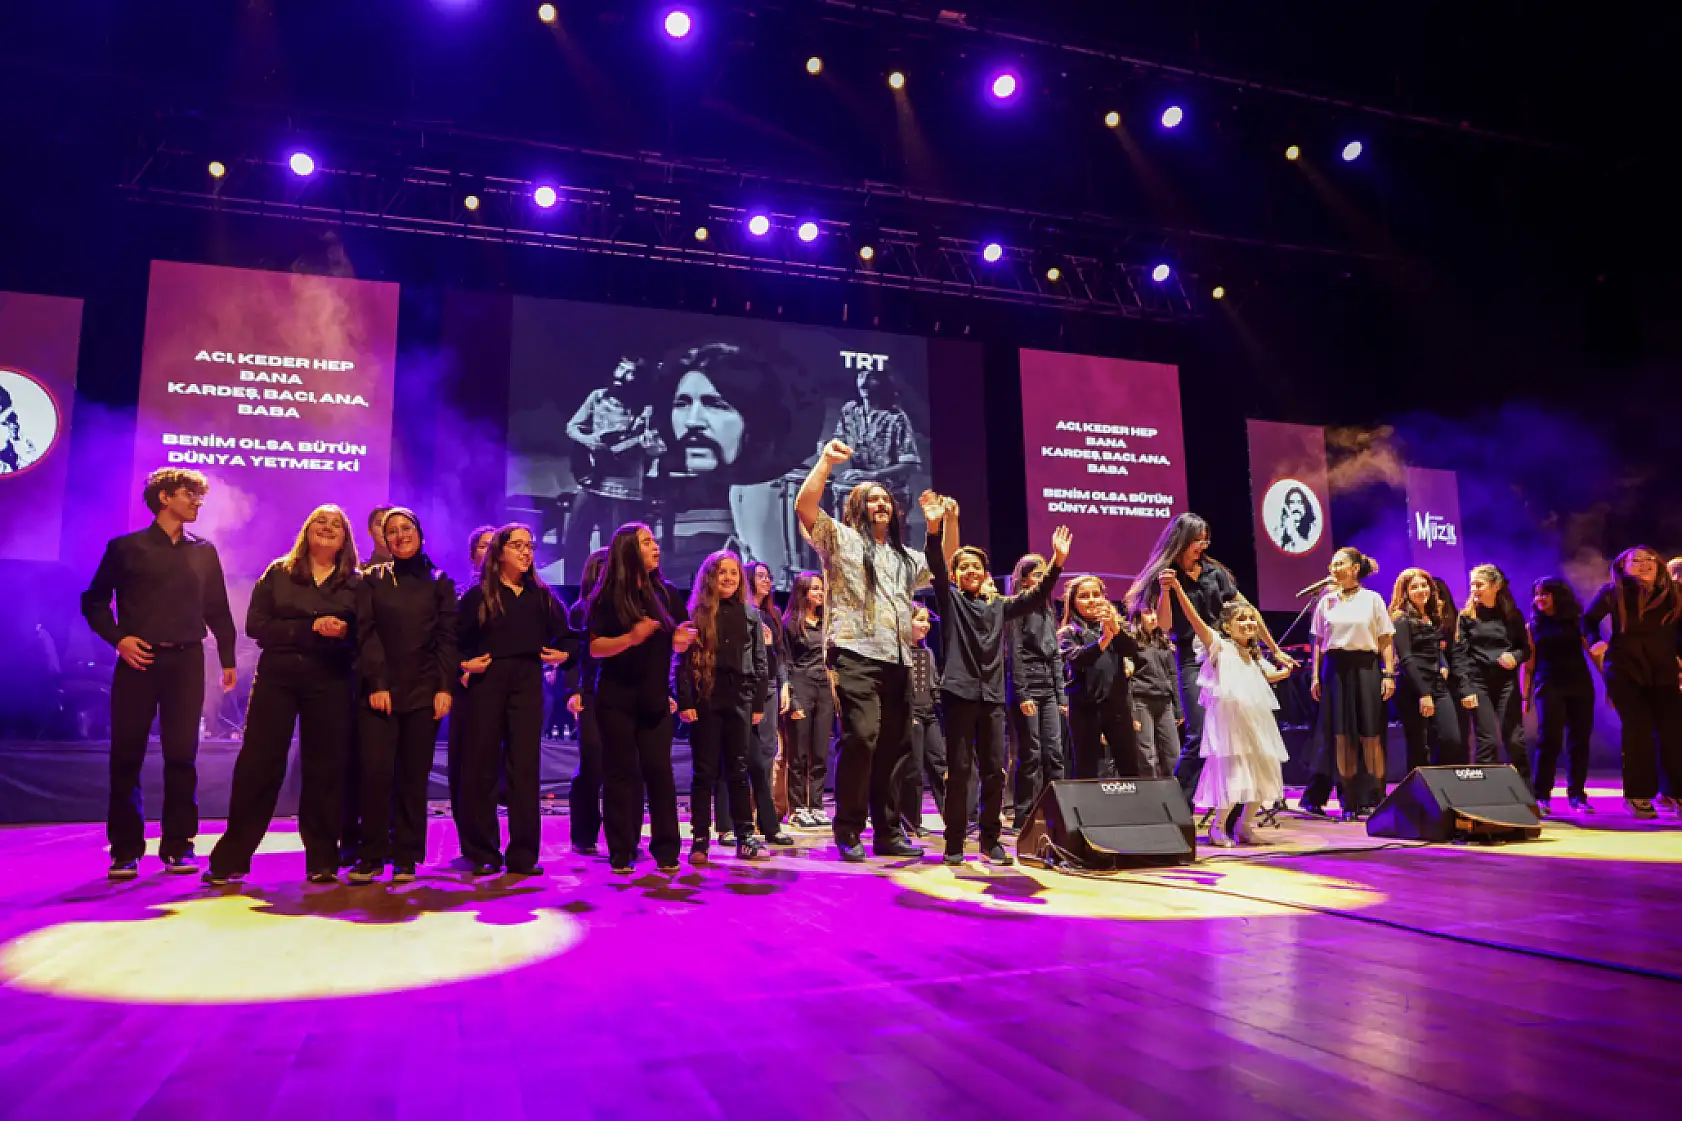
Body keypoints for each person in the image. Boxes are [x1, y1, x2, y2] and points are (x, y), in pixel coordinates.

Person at [81, 467, 238, 879]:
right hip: (138, 660)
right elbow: (94, 602)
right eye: (190, 495)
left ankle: (179, 845)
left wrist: (227, 658)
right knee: (126, 755)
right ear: (165, 497)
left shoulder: (203, 551)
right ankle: (125, 849)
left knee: (182, 756)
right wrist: (119, 640)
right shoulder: (125, 548)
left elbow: (217, 608)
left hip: (186, 661)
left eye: (199, 496)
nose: (197, 502)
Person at [207, 506, 362, 886]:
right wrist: (310, 627)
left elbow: (366, 632)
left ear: (345, 538)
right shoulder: (278, 572)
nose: (327, 528)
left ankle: (323, 858)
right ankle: (233, 857)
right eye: (320, 522)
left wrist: (344, 631)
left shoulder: (356, 583)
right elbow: (256, 624)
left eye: (336, 525)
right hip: (278, 676)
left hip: (331, 678)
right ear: (306, 531)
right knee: (258, 765)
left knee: (325, 769)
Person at [794, 439, 932, 862]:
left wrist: (943, 524)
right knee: (862, 737)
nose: (881, 505)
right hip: (854, 652)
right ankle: (849, 829)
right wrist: (825, 463)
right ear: (857, 507)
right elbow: (804, 507)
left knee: (894, 745)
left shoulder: (904, 557)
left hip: (897, 658)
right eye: (871, 500)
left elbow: (937, 566)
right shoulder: (840, 539)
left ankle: (888, 832)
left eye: (885, 500)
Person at [923, 492, 1069, 866]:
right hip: (958, 694)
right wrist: (934, 527)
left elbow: (1035, 597)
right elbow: (936, 564)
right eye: (964, 568)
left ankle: (990, 841)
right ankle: (954, 842)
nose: (970, 572)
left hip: (991, 699)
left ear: (986, 574)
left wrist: (1056, 562)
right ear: (956, 576)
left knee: (994, 771)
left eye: (977, 567)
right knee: (958, 772)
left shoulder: (999, 606)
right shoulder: (951, 600)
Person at [1127, 514, 1293, 802]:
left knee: (1239, 733)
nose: (1202, 545)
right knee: (1199, 733)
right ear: (1182, 540)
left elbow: (1246, 609)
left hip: (1227, 655)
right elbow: (1165, 625)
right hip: (1193, 658)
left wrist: (1274, 648)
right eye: (1197, 540)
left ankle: (1233, 811)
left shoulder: (1213, 573)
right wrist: (1167, 591)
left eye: (1205, 539)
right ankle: (1176, 805)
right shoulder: (1165, 575)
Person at [455, 524, 573, 876]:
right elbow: (454, 642)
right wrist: (464, 665)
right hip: (487, 682)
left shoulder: (541, 596)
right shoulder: (478, 596)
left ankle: (523, 854)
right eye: (518, 546)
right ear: (500, 552)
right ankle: (483, 851)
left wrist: (562, 655)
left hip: (526, 682)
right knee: (483, 767)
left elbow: (568, 638)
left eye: (530, 546)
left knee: (524, 768)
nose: (526, 552)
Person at [348, 508, 457, 883]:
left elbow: (446, 639)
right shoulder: (371, 579)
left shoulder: (440, 580)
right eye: (391, 531)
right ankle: (371, 855)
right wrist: (377, 683)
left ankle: (407, 856)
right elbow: (366, 633)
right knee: (376, 775)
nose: (399, 535)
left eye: (406, 528)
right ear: (384, 540)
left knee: (413, 776)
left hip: (425, 690)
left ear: (419, 532)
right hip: (380, 693)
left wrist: (444, 687)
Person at [588, 523, 696, 874]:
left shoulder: (664, 592)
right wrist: (630, 638)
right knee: (620, 773)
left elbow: (681, 634)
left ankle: (667, 849)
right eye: (647, 541)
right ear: (629, 550)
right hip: (616, 698)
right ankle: (622, 848)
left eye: (654, 540)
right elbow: (594, 647)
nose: (656, 547)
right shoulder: (607, 596)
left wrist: (680, 640)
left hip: (653, 698)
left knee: (659, 772)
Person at [1162, 574, 1295, 846]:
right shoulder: (1219, 646)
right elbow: (1193, 619)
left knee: (1260, 769)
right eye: (1241, 620)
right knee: (1233, 773)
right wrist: (1176, 589)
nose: (1248, 624)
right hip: (1230, 725)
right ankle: (1218, 826)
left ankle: (1245, 825)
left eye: (1251, 620)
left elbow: (1265, 677)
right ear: (1226, 626)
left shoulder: (1253, 655)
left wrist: (1285, 671)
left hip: (1256, 722)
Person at [674, 550, 775, 864]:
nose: (729, 578)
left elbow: (761, 663)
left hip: (739, 699)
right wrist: (686, 701)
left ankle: (745, 836)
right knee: (704, 771)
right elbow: (682, 663)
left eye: (734, 572)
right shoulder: (697, 615)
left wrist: (757, 702)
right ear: (710, 578)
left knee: (738, 769)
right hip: (706, 699)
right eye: (722, 573)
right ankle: (700, 839)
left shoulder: (750, 615)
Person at [1582, 545, 1682, 819]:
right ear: (1623, 567)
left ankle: (1675, 792)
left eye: (1650, 559)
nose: (1645, 564)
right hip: (1625, 670)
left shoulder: (1675, 594)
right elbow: (1587, 621)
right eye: (1636, 561)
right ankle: (1638, 794)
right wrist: (1596, 642)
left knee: (1673, 732)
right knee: (1639, 730)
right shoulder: (1613, 593)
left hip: (1663, 671)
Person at [1305, 548, 1397, 819]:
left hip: (1366, 666)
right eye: (1332, 564)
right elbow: (1319, 641)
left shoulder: (1372, 599)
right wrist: (1315, 676)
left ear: (1355, 568)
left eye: (1340, 564)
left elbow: (1385, 639)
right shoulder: (1327, 601)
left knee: (1370, 733)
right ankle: (1349, 799)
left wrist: (1389, 674)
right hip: (1335, 668)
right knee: (1342, 735)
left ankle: (1375, 796)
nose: (1333, 569)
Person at [563, 358, 664, 584]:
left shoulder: (645, 410)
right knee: (574, 539)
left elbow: (658, 449)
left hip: (623, 489)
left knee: (614, 548)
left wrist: (650, 446)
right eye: (620, 368)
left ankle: (610, 593)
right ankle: (571, 587)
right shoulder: (597, 396)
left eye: (629, 373)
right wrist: (589, 441)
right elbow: (571, 427)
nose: (621, 375)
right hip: (590, 480)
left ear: (638, 380)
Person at [1454, 563, 1533, 788]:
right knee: (1486, 740)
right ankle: (1485, 793)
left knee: (1514, 739)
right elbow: (1460, 656)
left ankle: (1527, 794)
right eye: (1472, 585)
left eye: (1479, 584)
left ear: (1495, 586)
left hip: (1506, 682)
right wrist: (1466, 689)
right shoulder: (1467, 616)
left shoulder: (1511, 615)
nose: (1474, 589)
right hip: (1479, 682)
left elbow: (1524, 649)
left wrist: (1514, 657)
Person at [1524, 576, 1595, 815]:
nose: (1539, 599)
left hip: (1580, 684)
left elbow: (1593, 653)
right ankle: (1541, 795)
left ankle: (1577, 795)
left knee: (1579, 741)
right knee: (1549, 739)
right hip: (1548, 684)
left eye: (1544, 593)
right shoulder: (1533, 625)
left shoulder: (1577, 621)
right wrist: (1525, 695)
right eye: (1537, 594)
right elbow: (1529, 664)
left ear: (1558, 595)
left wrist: (1611, 685)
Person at [1060, 576, 1142, 781]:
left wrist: (1115, 630)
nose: (1092, 600)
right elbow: (1079, 658)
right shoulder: (1068, 633)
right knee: (1086, 766)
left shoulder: (1114, 627)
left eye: (1096, 595)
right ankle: (1086, 811)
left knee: (1129, 764)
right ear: (1073, 603)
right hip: (1084, 708)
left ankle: (1134, 808)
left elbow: (1133, 651)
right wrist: (1104, 640)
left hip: (1117, 707)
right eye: (1084, 596)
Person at [1006, 552, 1068, 823]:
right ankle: (1024, 815)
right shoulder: (1017, 608)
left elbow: (1055, 654)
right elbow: (1015, 653)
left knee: (1053, 752)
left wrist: (1061, 694)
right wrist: (1022, 693)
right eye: (1037, 574)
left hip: (1048, 690)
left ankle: (1057, 812)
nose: (1042, 579)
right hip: (1028, 688)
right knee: (1030, 753)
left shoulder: (1046, 610)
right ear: (1024, 579)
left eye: (1045, 574)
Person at [1388, 567, 1466, 771]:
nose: (1421, 590)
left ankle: (1439, 785)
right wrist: (1424, 694)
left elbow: (1435, 646)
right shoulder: (1401, 618)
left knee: (1452, 739)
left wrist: (1443, 664)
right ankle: (1418, 795)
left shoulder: (1432, 615)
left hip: (1437, 683)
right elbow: (1406, 658)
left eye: (1424, 585)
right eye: (1414, 587)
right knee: (1418, 746)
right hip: (1413, 686)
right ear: (1405, 592)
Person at [447, 525, 497, 837]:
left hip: (507, 691)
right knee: (467, 766)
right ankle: (473, 837)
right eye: (483, 546)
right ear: (473, 555)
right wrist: (461, 667)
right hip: (468, 688)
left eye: (495, 545)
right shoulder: (460, 596)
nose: (490, 551)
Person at [742, 560, 792, 840]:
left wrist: (785, 685)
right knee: (748, 753)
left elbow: (780, 654)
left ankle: (766, 818)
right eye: (760, 576)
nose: (767, 580)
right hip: (748, 687)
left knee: (769, 750)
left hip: (771, 685)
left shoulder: (772, 613)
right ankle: (744, 816)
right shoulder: (742, 613)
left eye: (768, 575)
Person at [831, 364, 921, 516]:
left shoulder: (895, 417)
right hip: (859, 492)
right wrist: (829, 450)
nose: (864, 382)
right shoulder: (850, 411)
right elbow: (839, 442)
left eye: (870, 377)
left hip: (889, 496)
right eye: (861, 376)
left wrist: (873, 475)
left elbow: (911, 464)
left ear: (883, 383)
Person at [780, 570, 833, 827]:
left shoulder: (827, 623)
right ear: (802, 592)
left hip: (824, 688)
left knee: (820, 751)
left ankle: (817, 805)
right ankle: (798, 807)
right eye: (814, 588)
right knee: (798, 752)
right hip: (801, 685)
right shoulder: (790, 623)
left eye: (821, 588)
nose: (819, 592)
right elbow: (785, 663)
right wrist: (793, 699)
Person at [566, 547, 609, 855]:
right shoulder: (580, 610)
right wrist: (574, 691)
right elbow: (573, 657)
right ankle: (584, 833)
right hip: (590, 694)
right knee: (592, 763)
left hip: (619, 693)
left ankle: (622, 834)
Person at [897, 605, 949, 837]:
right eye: (919, 620)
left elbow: (933, 683)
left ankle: (952, 817)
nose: (925, 625)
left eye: (927, 620)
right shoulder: (900, 652)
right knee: (914, 769)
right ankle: (912, 821)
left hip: (929, 714)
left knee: (939, 764)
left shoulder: (927, 653)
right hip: (911, 714)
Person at [1128, 600, 1183, 779]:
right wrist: (1131, 711)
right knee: (1147, 755)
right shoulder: (1131, 642)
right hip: (1141, 701)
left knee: (1173, 754)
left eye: (1154, 613)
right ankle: (1149, 797)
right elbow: (1126, 678)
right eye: (1147, 613)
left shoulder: (1163, 641)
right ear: (1137, 617)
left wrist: (1178, 707)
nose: (1153, 617)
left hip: (1165, 702)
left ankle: (1173, 796)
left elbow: (1173, 674)